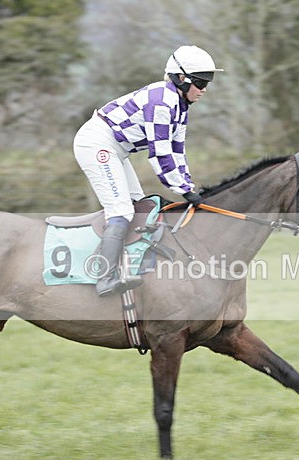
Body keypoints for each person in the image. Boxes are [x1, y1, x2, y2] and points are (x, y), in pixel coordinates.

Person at [73, 45, 223, 296]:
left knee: (140, 205)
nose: (205, 88)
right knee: (121, 211)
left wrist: (188, 186)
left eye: (209, 81)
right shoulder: (162, 101)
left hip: (117, 149)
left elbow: (178, 151)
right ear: (181, 78)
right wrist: (182, 190)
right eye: (200, 82)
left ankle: (131, 265)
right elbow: (160, 153)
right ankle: (103, 277)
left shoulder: (180, 106)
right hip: (97, 143)